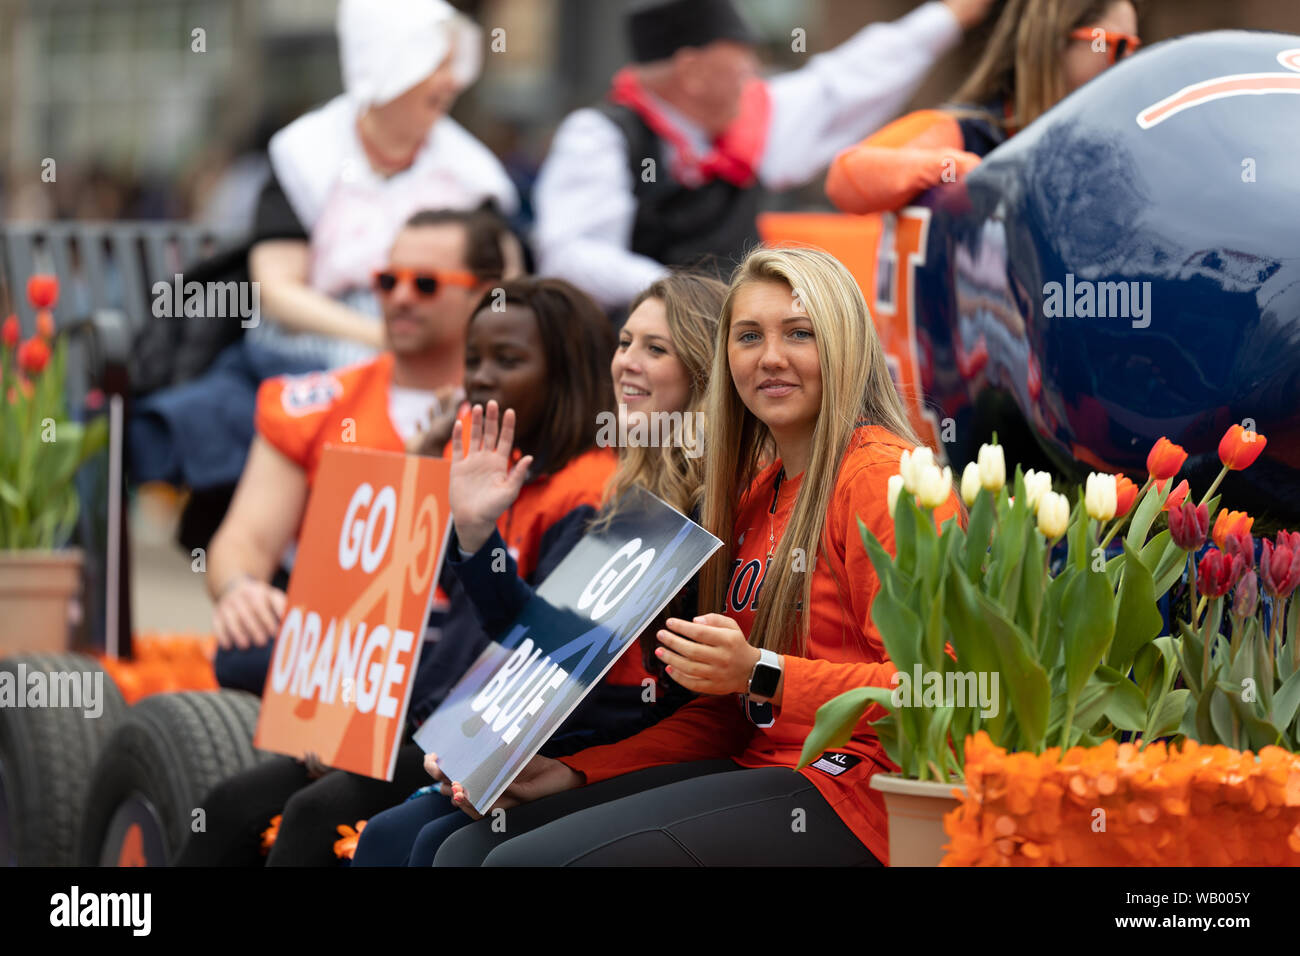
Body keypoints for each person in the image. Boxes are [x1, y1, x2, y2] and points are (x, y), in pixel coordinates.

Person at [424, 246, 962, 866]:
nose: (771, 357)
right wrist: (576, 774)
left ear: (845, 345)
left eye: (800, 333)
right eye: (750, 336)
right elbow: (720, 716)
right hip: (755, 765)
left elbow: (938, 687)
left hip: (863, 792)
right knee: (465, 850)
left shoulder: (883, 479)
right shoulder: (754, 495)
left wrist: (766, 672)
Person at [179, 278, 625, 866]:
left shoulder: (591, 491)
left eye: (508, 360)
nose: (483, 376)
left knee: (315, 815)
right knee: (230, 804)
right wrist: (419, 464)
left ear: (568, 372)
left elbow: (532, 654)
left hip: (475, 737)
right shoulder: (486, 468)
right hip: (419, 712)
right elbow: (385, 593)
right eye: (474, 360)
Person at [353, 272, 728, 866]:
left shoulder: (718, 501)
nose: (627, 362)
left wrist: (566, 768)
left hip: (657, 757)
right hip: (589, 736)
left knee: (438, 844)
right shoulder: (638, 487)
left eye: (656, 349)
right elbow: (549, 637)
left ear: (706, 373)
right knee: (392, 835)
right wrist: (477, 535)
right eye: (625, 342)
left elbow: (680, 707)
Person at [128, 0, 518, 498]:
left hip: (438, 346)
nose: (451, 81)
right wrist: (378, 334)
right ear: (389, 64)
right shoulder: (307, 154)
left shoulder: (471, 170)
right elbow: (278, 290)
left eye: (451, 63)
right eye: (434, 65)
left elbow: (506, 286)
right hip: (309, 342)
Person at [207, 208, 520, 686]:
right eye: (388, 280)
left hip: (462, 639)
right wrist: (240, 589)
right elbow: (244, 541)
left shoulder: (520, 411)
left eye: (426, 284)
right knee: (245, 648)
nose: (399, 298)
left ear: (485, 293)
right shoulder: (314, 403)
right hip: (344, 639)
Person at [532, 0, 996, 311]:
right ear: (692, 71)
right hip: (640, 362)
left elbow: (843, 83)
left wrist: (949, 15)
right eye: (740, 56)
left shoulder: (747, 123)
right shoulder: (599, 135)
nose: (752, 71)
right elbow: (569, 253)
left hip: (733, 352)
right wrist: (682, 293)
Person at [826, 0, 1141, 214]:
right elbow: (845, 177)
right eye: (1118, 46)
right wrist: (959, 170)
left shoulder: (1114, 146)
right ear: (1055, 41)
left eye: (1137, 49)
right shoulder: (973, 130)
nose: (1129, 64)